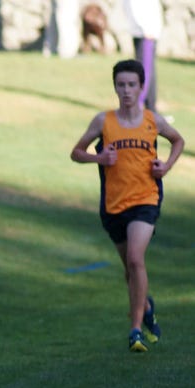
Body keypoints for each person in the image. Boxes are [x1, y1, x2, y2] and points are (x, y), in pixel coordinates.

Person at [70, 59, 184, 352]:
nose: (126, 90)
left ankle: (135, 330)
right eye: (121, 85)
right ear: (115, 87)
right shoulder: (103, 121)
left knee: (135, 259)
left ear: (141, 86)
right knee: (130, 269)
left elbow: (178, 141)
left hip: (146, 199)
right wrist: (99, 159)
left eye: (132, 84)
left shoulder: (152, 120)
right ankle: (145, 305)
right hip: (113, 204)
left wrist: (166, 166)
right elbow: (76, 152)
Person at [123, 0, 162, 111]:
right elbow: (134, 7)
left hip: (149, 33)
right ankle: (136, 107)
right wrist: (146, 29)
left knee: (150, 72)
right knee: (144, 71)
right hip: (145, 33)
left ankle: (151, 110)